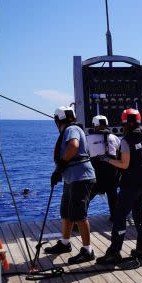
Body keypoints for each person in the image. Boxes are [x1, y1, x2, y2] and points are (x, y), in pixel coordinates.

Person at [96, 108, 142, 264]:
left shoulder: (126, 141)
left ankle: (114, 252)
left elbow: (124, 164)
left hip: (130, 184)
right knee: (140, 216)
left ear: (125, 123)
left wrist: (107, 160)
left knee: (120, 217)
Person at [45, 106, 96, 264]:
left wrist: (61, 165)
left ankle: (88, 251)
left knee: (79, 215)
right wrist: (58, 172)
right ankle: (65, 243)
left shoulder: (71, 129)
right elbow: (65, 155)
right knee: (66, 212)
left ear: (58, 120)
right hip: (71, 178)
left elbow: (73, 146)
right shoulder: (70, 129)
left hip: (81, 178)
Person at [86, 115, 121, 222]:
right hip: (112, 175)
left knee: (86, 197)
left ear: (94, 126)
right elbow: (119, 151)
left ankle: (79, 220)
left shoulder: (88, 139)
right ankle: (116, 217)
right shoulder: (114, 138)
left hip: (96, 176)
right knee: (113, 196)